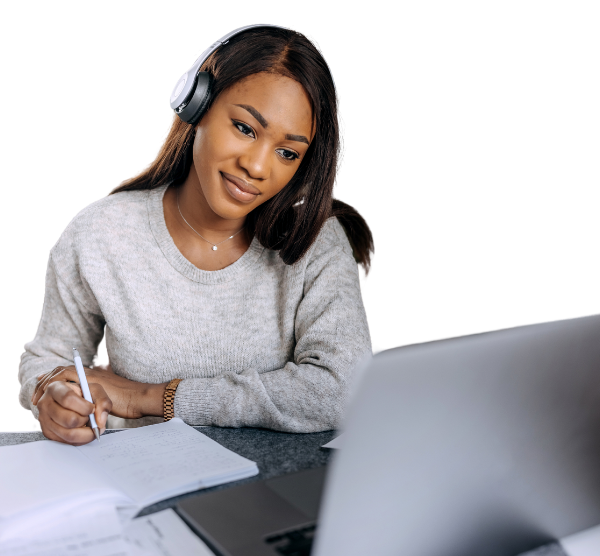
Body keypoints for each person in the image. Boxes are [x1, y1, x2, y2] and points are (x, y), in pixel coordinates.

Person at [17, 24, 375, 446]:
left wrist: (152, 398)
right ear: (197, 105)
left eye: (287, 152)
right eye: (245, 128)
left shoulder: (316, 241)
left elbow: (345, 390)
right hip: (138, 480)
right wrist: (51, 395)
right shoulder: (102, 233)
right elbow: (49, 359)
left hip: (273, 492)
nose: (258, 167)